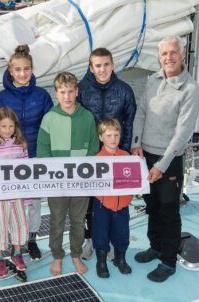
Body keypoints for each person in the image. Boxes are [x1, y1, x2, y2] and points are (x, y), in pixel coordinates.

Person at [131, 35, 199, 282]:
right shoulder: (152, 80)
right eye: (164, 54)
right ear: (159, 57)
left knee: (168, 211)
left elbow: (182, 134)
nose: (168, 58)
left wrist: (160, 166)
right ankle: (156, 246)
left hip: (168, 160)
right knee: (151, 207)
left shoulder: (191, 90)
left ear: (182, 54)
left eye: (173, 53)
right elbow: (141, 112)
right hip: (145, 155)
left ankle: (169, 261)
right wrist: (136, 142)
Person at [0, 44, 53, 260]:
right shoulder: (1, 98)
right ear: (11, 71)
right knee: (13, 203)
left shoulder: (42, 95)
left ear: (32, 69)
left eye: (26, 69)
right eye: (17, 70)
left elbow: (50, 126)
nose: (22, 73)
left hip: (35, 155)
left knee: (34, 202)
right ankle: (14, 241)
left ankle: (32, 239)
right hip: (10, 160)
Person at [37, 71, 99, 276]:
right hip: (57, 182)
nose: (67, 96)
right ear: (56, 93)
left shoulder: (87, 117)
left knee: (78, 220)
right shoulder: (49, 118)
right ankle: (57, 255)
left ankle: (75, 253)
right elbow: (43, 151)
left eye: (70, 91)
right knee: (56, 219)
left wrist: (83, 170)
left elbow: (93, 147)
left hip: (81, 181)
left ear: (77, 92)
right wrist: (55, 172)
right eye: (62, 92)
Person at [78, 47, 137, 260]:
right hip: (91, 156)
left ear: (112, 65)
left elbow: (129, 124)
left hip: (116, 155)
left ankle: (112, 241)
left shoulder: (124, 90)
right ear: (91, 68)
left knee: (113, 202)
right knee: (91, 203)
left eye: (105, 65)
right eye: (97, 66)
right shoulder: (81, 89)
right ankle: (90, 239)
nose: (102, 69)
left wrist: (126, 156)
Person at [0, 107, 29, 278]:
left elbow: (27, 170)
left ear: (15, 127)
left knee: (19, 222)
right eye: (3, 126)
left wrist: (28, 195)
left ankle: (17, 253)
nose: (7, 130)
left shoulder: (21, 144)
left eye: (11, 126)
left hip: (17, 194)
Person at [92, 118, 133, 278]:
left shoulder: (127, 156)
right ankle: (101, 261)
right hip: (103, 205)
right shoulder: (96, 160)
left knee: (122, 233)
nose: (113, 139)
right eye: (108, 135)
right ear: (101, 137)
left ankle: (120, 258)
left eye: (116, 135)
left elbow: (133, 180)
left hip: (122, 205)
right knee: (100, 233)